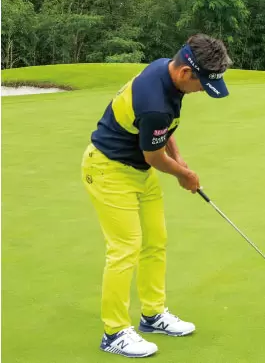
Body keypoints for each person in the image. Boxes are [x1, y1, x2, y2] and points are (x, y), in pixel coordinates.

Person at [81, 33, 232, 358]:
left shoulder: (167, 73)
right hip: (108, 170)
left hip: (138, 171)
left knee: (155, 241)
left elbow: (165, 132)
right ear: (185, 73)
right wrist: (184, 175)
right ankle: (114, 332)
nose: (203, 91)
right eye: (203, 85)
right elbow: (154, 155)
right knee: (124, 249)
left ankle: (152, 314)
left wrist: (178, 158)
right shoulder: (154, 102)